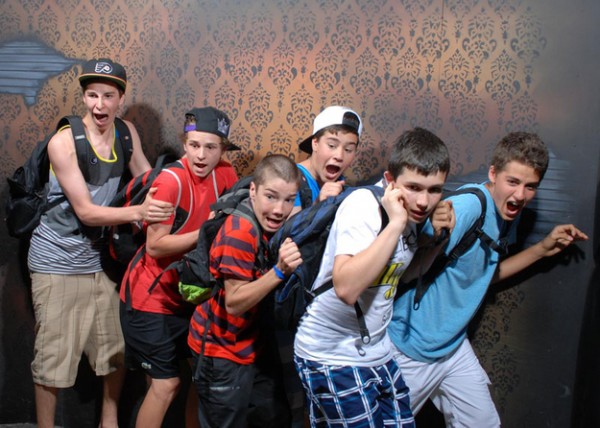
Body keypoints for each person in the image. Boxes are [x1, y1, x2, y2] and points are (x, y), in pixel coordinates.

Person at [388, 132, 589, 427]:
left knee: (483, 423)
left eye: (530, 186)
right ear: (493, 174)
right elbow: (408, 268)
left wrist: (542, 249)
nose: (519, 195)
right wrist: (433, 235)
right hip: (414, 347)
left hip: (452, 346)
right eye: (513, 182)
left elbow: (484, 275)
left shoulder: (508, 213)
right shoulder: (469, 207)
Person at [27, 58, 174, 428]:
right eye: (92, 95)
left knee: (114, 350)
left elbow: (147, 178)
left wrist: (182, 186)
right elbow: (87, 212)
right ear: (83, 98)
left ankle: (108, 422)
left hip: (101, 260)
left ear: (120, 99)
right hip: (58, 261)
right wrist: (140, 211)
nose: (99, 104)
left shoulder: (125, 132)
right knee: (53, 359)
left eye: (108, 96)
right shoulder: (63, 142)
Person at [294, 127, 453, 427]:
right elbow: (346, 288)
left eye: (434, 190)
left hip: (377, 350)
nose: (424, 201)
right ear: (390, 180)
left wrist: (438, 241)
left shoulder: (410, 214)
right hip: (332, 353)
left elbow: (401, 275)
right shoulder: (365, 206)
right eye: (414, 187)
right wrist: (395, 225)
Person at [119, 107, 239, 428]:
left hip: (190, 296)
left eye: (210, 147)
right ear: (184, 144)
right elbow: (155, 246)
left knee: (201, 380)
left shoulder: (227, 174)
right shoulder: (170, 181)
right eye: (194, 145)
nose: (201, 155)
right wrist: (206, 231)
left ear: (223, 150)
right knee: (166, 386)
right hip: (149, 300)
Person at [188, 154, 303, 428]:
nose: (279, 209)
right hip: (220, 352)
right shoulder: (240, 234)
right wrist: (279, 271)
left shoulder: (266, 220)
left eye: (288, 200)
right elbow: (235, 303)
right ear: (253, 191)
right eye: (271, 197)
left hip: (249, 346)